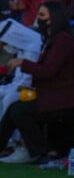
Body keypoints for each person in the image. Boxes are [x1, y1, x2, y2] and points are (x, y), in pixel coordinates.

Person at [2, 0, 74, 163]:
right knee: (16, 107)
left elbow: (49, 70)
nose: (38, 19)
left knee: (18, 110)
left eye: (42, 15)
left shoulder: (62, 40)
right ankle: (38, 150)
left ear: (53, 17)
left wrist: (22, 63)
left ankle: (41, 151)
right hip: (54, 97)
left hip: (64, 99)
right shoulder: (52, 39)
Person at [0, 19, 42, 163]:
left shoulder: (33, 48)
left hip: (34, 91)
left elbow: (25, 83)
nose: (4, 46)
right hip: (20, 87)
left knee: (10, 99)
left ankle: (19, 145)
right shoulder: (22, 49)